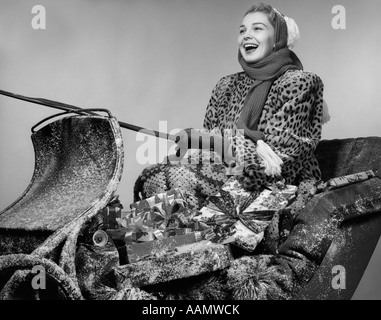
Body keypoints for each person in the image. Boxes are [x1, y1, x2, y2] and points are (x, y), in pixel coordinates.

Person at [133, 2, 325, 211]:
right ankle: (162, 239)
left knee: (181, 178)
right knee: (155, 175)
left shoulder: (300, 82)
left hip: (276, 183)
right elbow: (209, 144)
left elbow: (283, 158)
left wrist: (215, 143)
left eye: (257, 29)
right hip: (226, 174)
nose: (246, 36)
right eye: (242, 30)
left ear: (278, 38)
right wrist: (194, 145)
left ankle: (189, 238)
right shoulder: (225, 86)